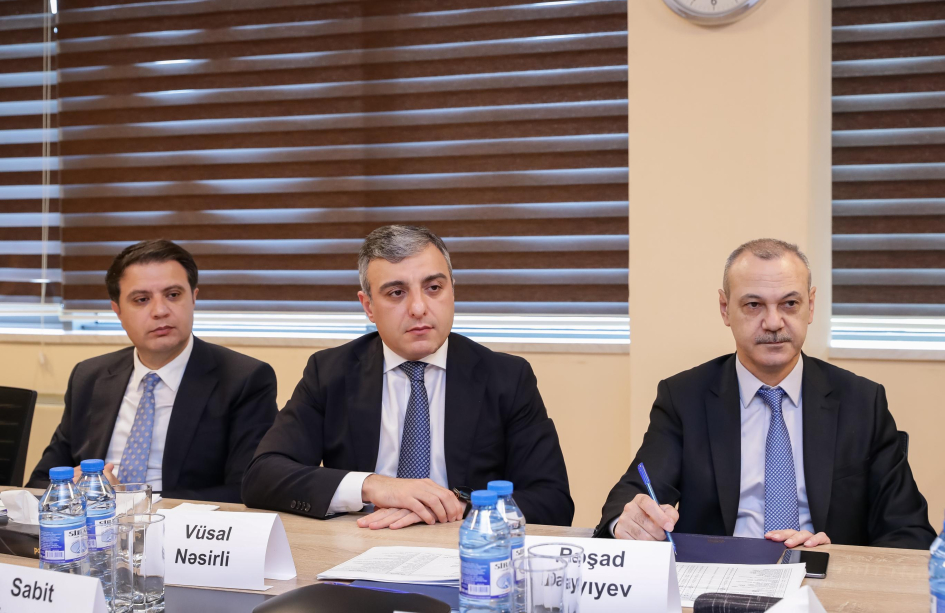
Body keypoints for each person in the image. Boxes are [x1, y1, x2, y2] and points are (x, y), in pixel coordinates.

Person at [596, 239, 936, 550]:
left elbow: (910, 532)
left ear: (811, 306)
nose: (773, 322)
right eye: (754, 305)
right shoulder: (684, 398)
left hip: (824, 579)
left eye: (790, 303)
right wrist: (629, 522)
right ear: (725, 309)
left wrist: (840, 559)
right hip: (719, 580)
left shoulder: (862, 402)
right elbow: (633, 496)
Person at [242, 225, 573, 528]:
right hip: (362, 543)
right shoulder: (330, 372)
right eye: (396, 293)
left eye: (433, 288)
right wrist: (373, 486)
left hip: (465, 550)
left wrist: (456, 506)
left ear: (452, 292)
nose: (418, 308)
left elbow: (552, 501)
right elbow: (262, 476)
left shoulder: (507, 378)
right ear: (368, 306)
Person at [28, 240, 278, 503]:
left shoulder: (244, 379)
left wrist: (130, 500)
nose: (160, 311)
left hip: (183, 525)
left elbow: (246, 490)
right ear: (118, 311)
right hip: (93, 522)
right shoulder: (90, 376)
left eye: (173, 295)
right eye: (142, 300)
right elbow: (39, 482)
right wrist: (75, 486)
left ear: (193, 298)